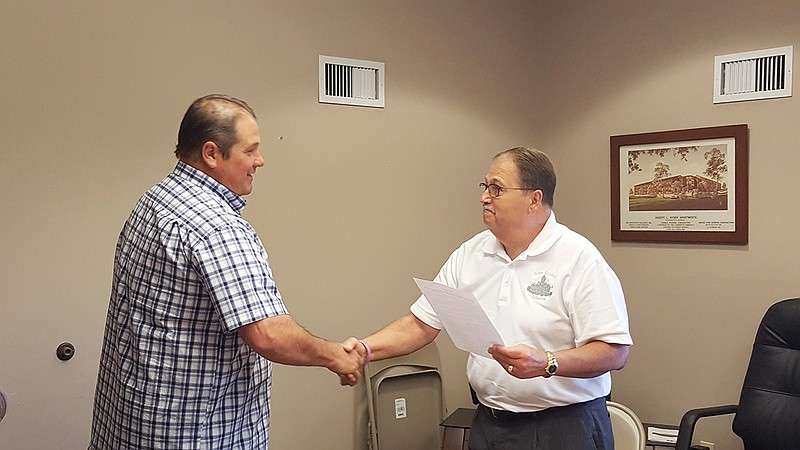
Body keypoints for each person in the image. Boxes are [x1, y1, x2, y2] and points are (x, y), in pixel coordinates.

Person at [89, 94, 363, 449]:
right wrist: (335, 356)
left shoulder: (154, 200)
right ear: (211, 154)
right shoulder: (218, 228)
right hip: (196, 433)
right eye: (250, 150)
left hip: (134, 422)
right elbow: (268, 333)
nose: (260, 161)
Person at [350, 147, 632, 449]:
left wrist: (548, 362)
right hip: (490, 424)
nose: (484, 197)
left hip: (564, 427)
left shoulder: (579, 259)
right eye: (485, 187)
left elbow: (614, 352)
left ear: (533, 200)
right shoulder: (471, 253)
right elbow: (422, 324)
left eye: (496, 189)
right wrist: (363, 349)